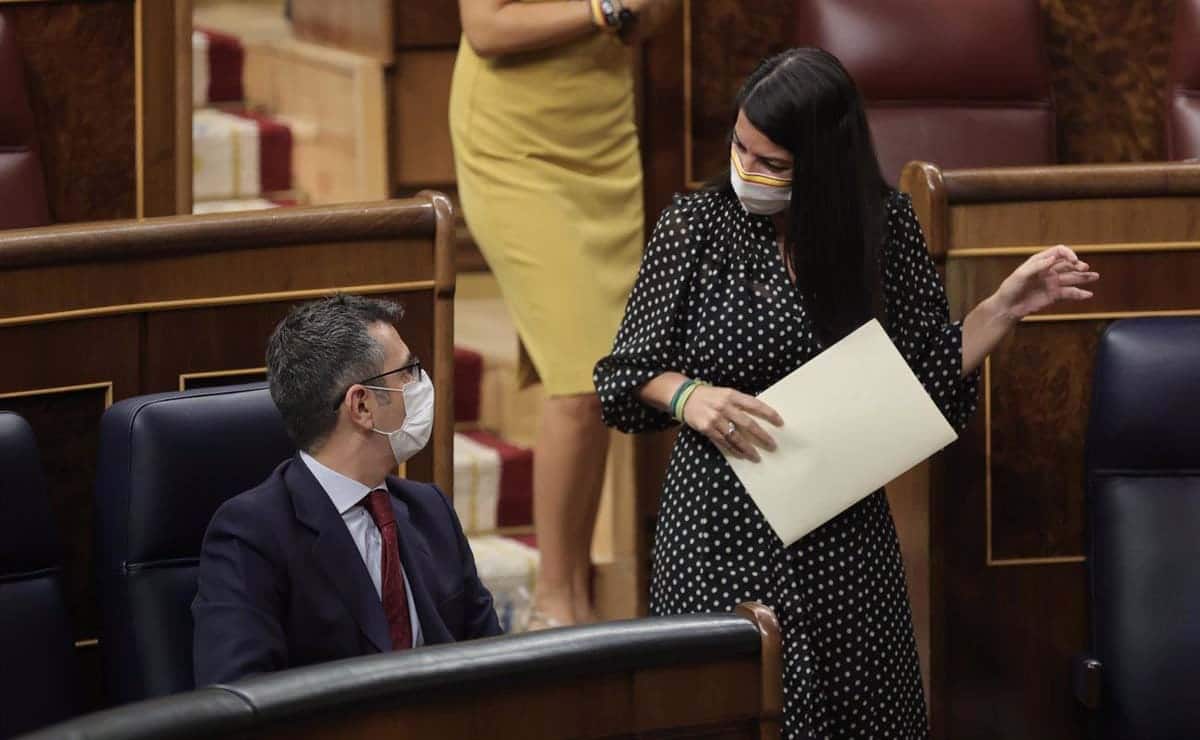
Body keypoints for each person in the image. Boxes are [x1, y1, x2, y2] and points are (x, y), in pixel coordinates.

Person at [594, 48, 1099, 737]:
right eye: (740, 148)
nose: (747, 171)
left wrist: (1004, 308)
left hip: (841, 533)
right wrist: (688, 397)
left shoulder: (882, 225)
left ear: (823, 164)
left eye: (772, 163)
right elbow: (621, 378)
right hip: (718, 526)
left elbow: (921, 380)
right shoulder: (694, 225)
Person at [450, 0, 680, 627]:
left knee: (603, 381)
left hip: (601, 138)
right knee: (584, 378)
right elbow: (487, 27)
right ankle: (553, 604)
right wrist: (602, 9)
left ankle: (574, 588)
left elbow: (651, 18)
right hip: (514, 144)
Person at [193, 295, 501, 686]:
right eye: (408, 371)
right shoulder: (251, 535)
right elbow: (239, 702)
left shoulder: (430, 511)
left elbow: (495, 665)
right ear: (362, 406)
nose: (421, 385)